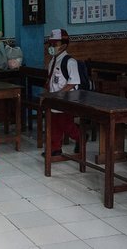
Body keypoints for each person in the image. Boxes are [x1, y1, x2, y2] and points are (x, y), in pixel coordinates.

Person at [44, 28, 81, 156]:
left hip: (66, 99)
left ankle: (80, 137)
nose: (52, 47)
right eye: (51, 44)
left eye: (55, 44)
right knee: (54, 124)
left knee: (66, 124)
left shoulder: (70, 62)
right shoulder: (53, 61)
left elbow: (73, 82)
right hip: (55, 99)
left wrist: (60, 94)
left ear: (64, 45)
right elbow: (50, 80)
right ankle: (55, 148)